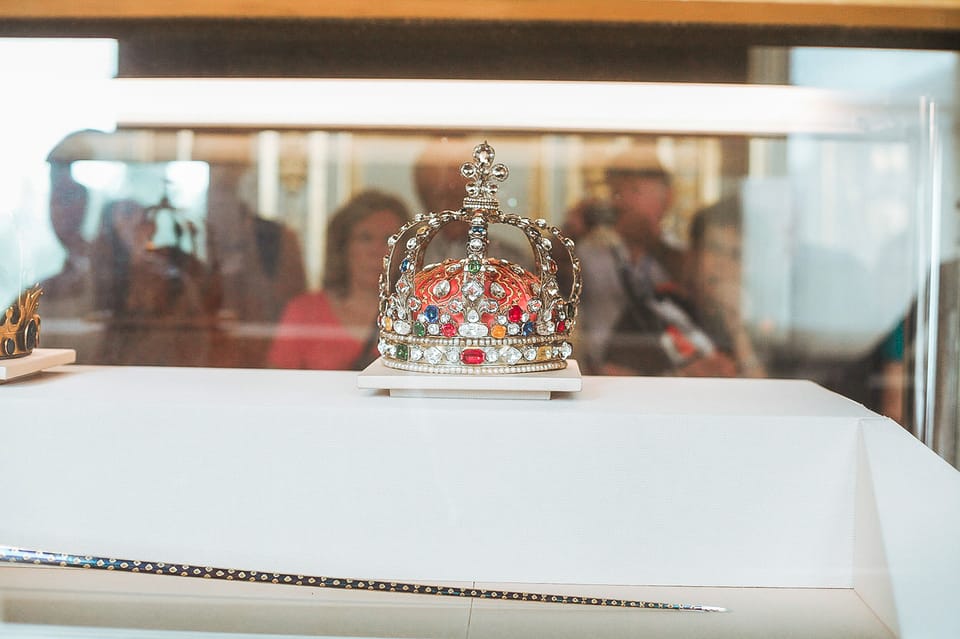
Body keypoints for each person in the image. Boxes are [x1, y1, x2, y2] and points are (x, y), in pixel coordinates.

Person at [577, 143, 728, 376]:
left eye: (635, 190)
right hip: (603, 374)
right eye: (616, 192)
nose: (623, 201)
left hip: (674, 374)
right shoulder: (588, 253)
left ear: (667, 197)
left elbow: (700, 293)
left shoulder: (677, 254)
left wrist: (651, 243)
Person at [268, 190, 409, 370]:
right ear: (343, 247)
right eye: (365, 238)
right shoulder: (304, 313)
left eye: (389, 239)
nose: (377, 250)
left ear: (405, 251)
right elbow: (277, 387)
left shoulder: (419, 314)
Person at [415, 136, 529, 268]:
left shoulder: (513, 261)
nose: (453, 205)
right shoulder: (411, 257)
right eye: (442, 195)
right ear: (424, 198)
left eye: (461, 195)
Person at [686, 195, 766, 377]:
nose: (722, 264)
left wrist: (738, 329)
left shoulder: (763, 327)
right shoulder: (657, 311)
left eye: (736, 255)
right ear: (694, 253)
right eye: (714, 248)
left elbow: (767, 398)